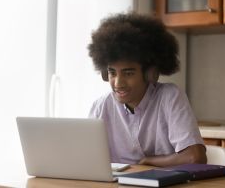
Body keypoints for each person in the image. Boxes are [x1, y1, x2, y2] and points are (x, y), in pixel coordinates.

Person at [87, 12, 206, 167]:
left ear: (150, 73)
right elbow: (86, 158)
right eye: (112, 72)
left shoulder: (169, 97)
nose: (118, 83)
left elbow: (195, 158)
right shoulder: (101, 106)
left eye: (128, 73)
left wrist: (147, 161)